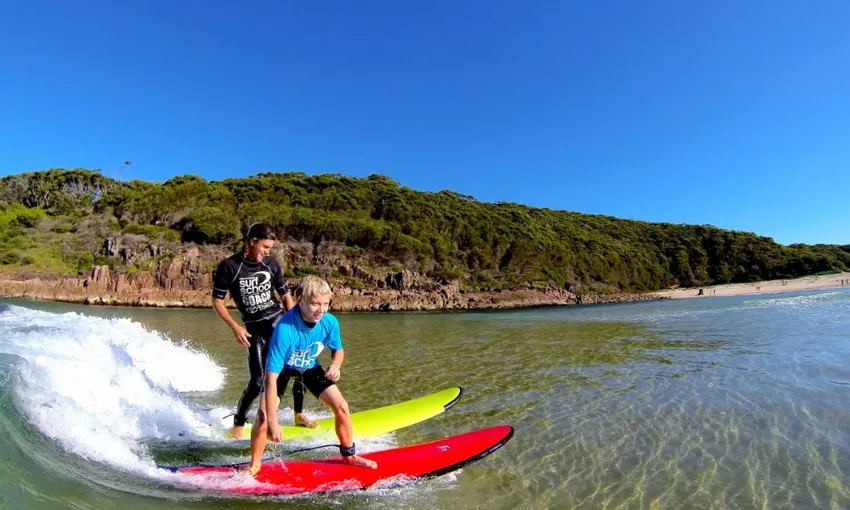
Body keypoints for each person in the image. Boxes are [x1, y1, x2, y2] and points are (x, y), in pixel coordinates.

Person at [246, 275, 378, 475]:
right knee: (263, 415)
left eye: (325, 304)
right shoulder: (285, 329)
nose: (321, 309)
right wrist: (274, 421)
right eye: (315, 303)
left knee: (342, 406)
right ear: (301, 300)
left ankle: (349, 455)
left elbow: (338, 350)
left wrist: (336, 365)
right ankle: (254, 464)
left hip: (308, 366)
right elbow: (271, 377)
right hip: (281, 369)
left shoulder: (329, 322)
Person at [211, 223, 316, 439]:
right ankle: (238, 425)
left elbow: (285, 296)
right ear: (252, 242)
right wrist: (235, 327)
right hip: (253, 330)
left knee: (299, 367)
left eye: (270, 248)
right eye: (265, 247)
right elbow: (217, 302)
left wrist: (296, 325)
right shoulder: (230, 266)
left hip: (278, 322)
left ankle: (298, 414)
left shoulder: (271, 264)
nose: (267, 252)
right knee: (257, 381)